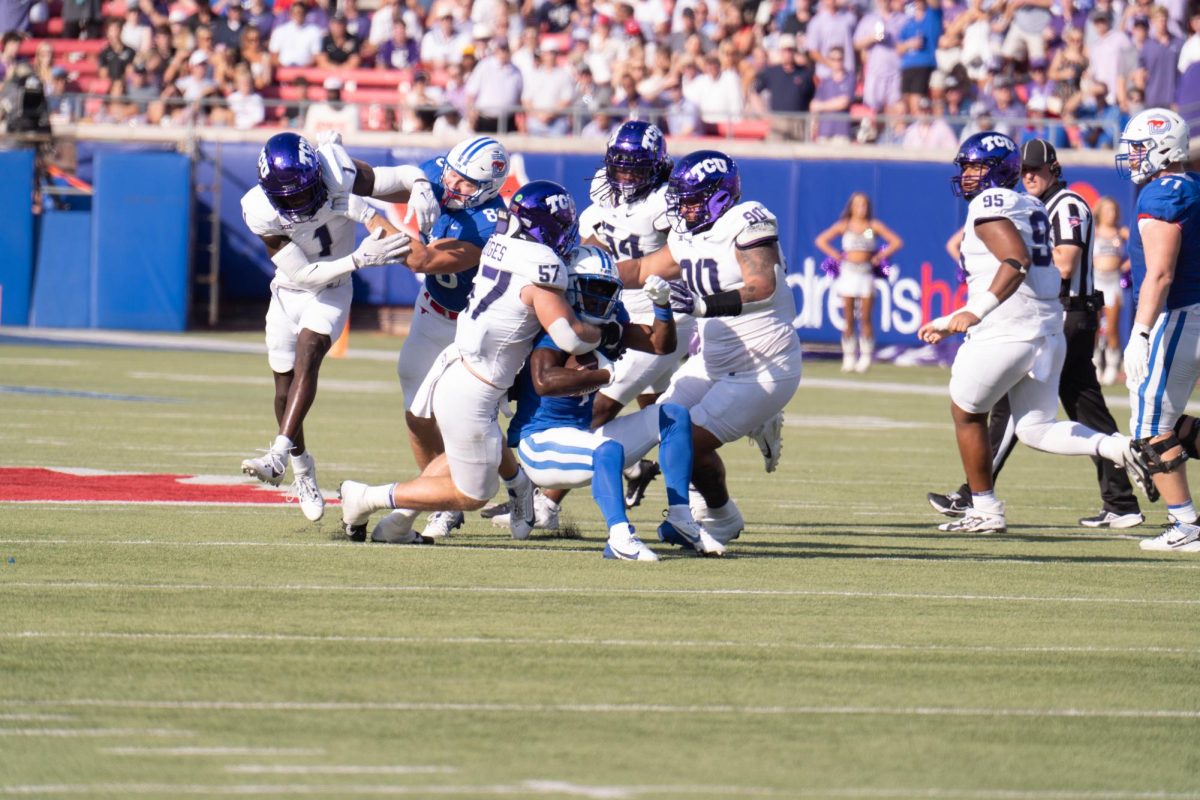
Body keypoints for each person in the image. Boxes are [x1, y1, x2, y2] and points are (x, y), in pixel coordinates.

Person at [339, 181, 618, 542]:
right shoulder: (543, 267)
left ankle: (402, 523)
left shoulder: (501, 242)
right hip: (474, 386)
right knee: (472, 494)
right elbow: (570, 337)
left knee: (477, 446)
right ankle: (366, 497)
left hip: (461, 367)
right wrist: (603, 334)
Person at [917, 132, 1142, 534]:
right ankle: (1118, 446)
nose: (967, 175)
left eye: (976, 167)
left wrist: (975, 310)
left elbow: (1016, 260)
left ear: (998, 170)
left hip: (1007, 329)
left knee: (966, 411)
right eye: (965, 168)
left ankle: (984, 508)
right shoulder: (1033, 205)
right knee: (1034, 427)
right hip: (1046, 329)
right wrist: (951, 316)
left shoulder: (992, 202)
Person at [239, 132, 433, 523]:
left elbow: (395, 178)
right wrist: (359, 259)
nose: (297, 203)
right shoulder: (258, 208)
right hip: (290, 291)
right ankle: (302, 468)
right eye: (287, 197)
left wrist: (422, 185)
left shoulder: (336, 170)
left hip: (333, 292)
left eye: (303, 192)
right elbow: (303, 273)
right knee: (282, 389)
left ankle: (277, 454)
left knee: (308, 355)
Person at [617, 150, 804, 546]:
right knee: (665, 423)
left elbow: (761, 285)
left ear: (719, 196)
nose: (682, 208)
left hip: (764, 366)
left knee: (685, 442)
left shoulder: (747, 218)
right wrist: (577, 271)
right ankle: (715, 506)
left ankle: (720, 517)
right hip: (712, 361)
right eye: (680, 198)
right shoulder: (686, 234)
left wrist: (703, 305)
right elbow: (640, 269)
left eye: (691, 198)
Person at [507, 245, 724, 559]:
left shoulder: (607, 321)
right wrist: (604, 377)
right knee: (606, 449)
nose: (601, 297)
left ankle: (680, 518)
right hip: (540, 443)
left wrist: (662, 307)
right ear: (571, 289)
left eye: (607, 289)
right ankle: (620, 538)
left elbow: (661, 344)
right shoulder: (559, 324)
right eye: (593, 288)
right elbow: (544, 381)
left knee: (672, 415)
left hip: (582, 435)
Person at [370, 136, 512, 542]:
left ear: (487, 188)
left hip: (473, 325)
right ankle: (441, 499)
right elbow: (377, 180)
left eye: (466, 183)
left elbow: (424, 260)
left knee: (467, 417)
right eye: (452, 173)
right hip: (432, 309)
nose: (452, 185)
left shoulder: (487, 222)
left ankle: (520, 487)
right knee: (417, 415)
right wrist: (340, 172)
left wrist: (364, 215)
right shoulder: (440, 173)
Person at [1116, 108, 1200, 552]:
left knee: (1149, 428)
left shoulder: (1163, 195)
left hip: (1182, 314)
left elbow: (1161, 274)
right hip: (1193, 313)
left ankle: (1186, 525)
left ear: (1161, 147)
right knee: (1166, 423)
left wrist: (1142, 331)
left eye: (1137, 149)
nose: (1131, 158)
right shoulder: (1190, 187)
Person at [814, 191, 903, 373]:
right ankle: (848, 356)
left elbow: (896, 241)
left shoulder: (873, 225)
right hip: (848, 272)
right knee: (848, 318)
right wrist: (836, 255)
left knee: (865, 317)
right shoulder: (844, 225)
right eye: (857, 204)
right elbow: (821, 240)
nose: (861, 208)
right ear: (851, 207)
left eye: (864, 204)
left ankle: (866, 357)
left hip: (865, 273)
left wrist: (880, 256)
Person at [1091, 197, 1131, 385]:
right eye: (1107, 210)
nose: (1111, 214)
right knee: (1095, 327)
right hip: (1097, 282)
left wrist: (1125, 266)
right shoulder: (1094, 232)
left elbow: (1140, 250)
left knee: (1113, 327)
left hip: (1114, 282)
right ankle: (1096, 363)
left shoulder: (1121, 233)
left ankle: (1113, 364)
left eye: (1113, 210)